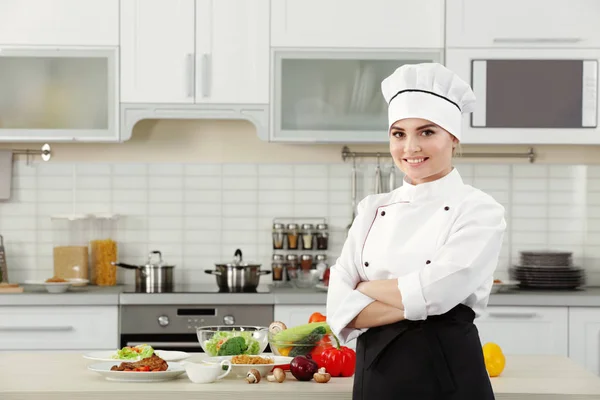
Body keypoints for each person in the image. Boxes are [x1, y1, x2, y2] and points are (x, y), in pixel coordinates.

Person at [325, 63, 506, 400]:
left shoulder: (480, 209)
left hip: (449, 372)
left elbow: (440, 291)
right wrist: (424, 300)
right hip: (376, 372)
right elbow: (338, 308)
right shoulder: (370, 208)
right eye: (399, 134)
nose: (410, 147)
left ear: (453, 138)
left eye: (426, 132)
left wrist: (364, 289)